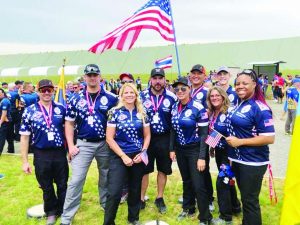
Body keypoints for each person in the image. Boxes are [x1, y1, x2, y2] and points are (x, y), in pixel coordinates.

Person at [60, 64, 118, 225]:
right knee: (76, 180)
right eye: (89, 75)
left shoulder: (112, 98)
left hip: (105, 144)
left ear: (100, 76)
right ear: (84, 77)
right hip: (82, 144)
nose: (92, 78)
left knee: (106, 177)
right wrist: (71, 146)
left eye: (95, 75)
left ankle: (106, 206)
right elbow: (69, 123)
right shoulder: (75, 98)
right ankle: (66, 218)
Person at [225, 69, 275, 225]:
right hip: (238, 160)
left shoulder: (260, 108)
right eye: (237, 83)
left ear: (254, 84)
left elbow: (269, 138)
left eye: (245, 83)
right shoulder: (237, 105)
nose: (240, 86)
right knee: (245, 199)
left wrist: (240, 142)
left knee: (250, 201)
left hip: (252, 162)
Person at [20, 79, 68, 225]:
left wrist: (71, 149)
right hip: (41, 153)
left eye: (49, 90)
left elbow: (69, 130)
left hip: (59, 152)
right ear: (38, 92)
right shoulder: (30, 111)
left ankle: (64, 209)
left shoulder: (61, 108)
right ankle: (51, 212)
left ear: (53, 90)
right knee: (46, 185)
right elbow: (24, 137)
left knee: (62, 184)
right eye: (43, 90)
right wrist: (25, 161)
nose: (47, 93)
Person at [103, 83, 151, 225]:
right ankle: (109, 221)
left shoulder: (142, 112)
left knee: (135, 189)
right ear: (121, 95)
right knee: (114, 191)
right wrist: (123, 156)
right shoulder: (114, 112)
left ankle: (133, 218)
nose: (129, 95)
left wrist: (142, 152)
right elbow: (109, 138)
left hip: (137, 156)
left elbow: (147, 136)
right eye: (126, 92)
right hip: (119, 156)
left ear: (136, 95)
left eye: (132, 93)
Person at [170, 77, 212, 224]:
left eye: (183, 88)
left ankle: (205, 217)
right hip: (181, 150)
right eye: (176, 89)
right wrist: (172, 149)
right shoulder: (175, 107)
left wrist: (202, 157)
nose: (180, 91)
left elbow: (204, 135)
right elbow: (173, 130)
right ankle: (188, 208)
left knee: (198, 184)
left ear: (190, 89)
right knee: (186, 180)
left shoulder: (198, 108)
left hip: (195, 150)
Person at [139, 68, 177, 213]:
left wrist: (173, 146)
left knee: (163, 169)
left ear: (164, 80)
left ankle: (159, 198)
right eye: (155, 78)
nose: (157, 81)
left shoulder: (172, 97)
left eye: (160, 78)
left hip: (164, 138)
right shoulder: (141, 96)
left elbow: (174, 122)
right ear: (150, 79)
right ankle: (141, 198)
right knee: (144, 170)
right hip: (146, 139)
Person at [206, 86, 241, 225]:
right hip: (220, 152)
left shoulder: (230, 112)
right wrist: (211, 146)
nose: (214, 98)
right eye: (212, 96)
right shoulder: (213, 113)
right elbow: (215, 131)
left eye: (217, 95)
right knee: (228, 181)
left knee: (222, 182)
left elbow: (236, 133)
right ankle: (236, 207)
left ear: (223, 96)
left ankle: (225, 217)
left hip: (229, 153)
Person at [188, 64, 215, 210]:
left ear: (205, 76)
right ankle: (192, 194)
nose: (196, 76)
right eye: (193, 73)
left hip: (202, 135)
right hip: (188, 137)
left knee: (203, 168)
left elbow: (213, 110)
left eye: (199, 73)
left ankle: (208, 198)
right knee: (192, 169)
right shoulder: (186, 90)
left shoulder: (207, 92)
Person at [0, 88, 12, 155]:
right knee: (9, 137)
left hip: (5, 122)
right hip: (6, 121)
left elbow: (4, 114)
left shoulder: (4, 101)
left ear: (3, 93)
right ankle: (11, 150)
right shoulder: (2, 100)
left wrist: (0, 122)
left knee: (2, 137)